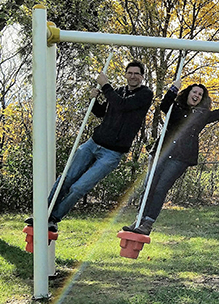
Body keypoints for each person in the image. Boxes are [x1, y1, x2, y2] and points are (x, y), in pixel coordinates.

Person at [34, 61, 154, 230]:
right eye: (130, 73)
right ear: (125, 74)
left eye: (137, 73)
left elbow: (122, 106)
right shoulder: (119, 91)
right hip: (93, 143)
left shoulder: (145, 94)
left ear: (142, 77)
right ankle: (43, 214)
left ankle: (54, 218)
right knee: (66, 179)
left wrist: (105, 85)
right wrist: (94, 99)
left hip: (112, 153)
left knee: (79, 188)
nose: (133, 76)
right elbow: (100, 112)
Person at [122, 80, 219, 235]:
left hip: (180, 156)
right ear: (188, 93)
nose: (197, 95)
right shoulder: (175, 107)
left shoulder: (202, 115)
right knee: (149, 186)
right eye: (194, 92)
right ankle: (139, 220)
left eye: (200, 94)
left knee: (161, 188)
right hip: (161, 151)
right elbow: (164, 105)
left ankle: (148, 223)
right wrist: (173, 89)